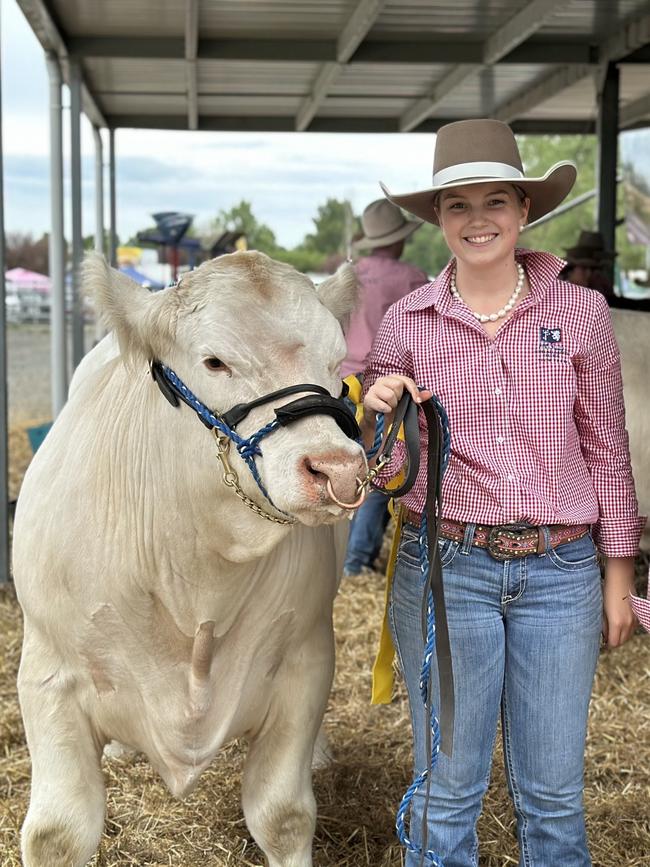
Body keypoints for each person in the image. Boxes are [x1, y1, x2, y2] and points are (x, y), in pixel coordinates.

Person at [360, 119, 645, 867]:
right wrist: (378, 413)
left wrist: (619, 579)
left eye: (496, 201)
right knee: (449, 785)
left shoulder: (580, 314)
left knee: (553, 793)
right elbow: (384, 476)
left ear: (524, 211)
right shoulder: (406, 323)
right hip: (448, 565)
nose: (477, 219)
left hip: (561, 572)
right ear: (438, 219)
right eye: (458, 204)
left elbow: (608, 450)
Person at [342, 199, 428, 577]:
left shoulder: (349, 275)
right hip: (388, 385)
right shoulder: (411, 277)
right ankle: (357, 559)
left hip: (343, 384)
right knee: (382, 468)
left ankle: (347, 555)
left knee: (347, 467)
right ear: (398, 240)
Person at [559, 229, 617, 294]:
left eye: (594, 269)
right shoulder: (559, 291)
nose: (589, 274)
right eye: (584, 268)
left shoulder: (601, 285)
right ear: (570, 271)